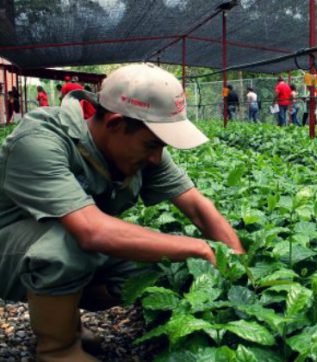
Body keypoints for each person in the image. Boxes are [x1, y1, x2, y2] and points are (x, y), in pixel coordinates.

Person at [0, 63, 245, 361]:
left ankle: (65, 323)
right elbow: (92, 232)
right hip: (9, 249)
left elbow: (197, 207)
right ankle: (58, 350)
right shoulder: (41, 140)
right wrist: (200, 249)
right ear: (115, 123)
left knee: (161, 263)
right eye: (152, 144)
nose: (157, 157)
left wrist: (235, 265)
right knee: (68, 245)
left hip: (53, 243)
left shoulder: (142, 151)